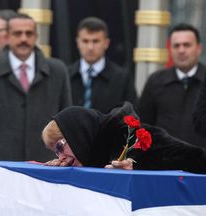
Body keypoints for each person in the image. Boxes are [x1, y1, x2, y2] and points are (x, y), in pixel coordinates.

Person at [0, 13, 72, 162]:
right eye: (17, 33)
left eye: (29, 33)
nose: (23, 39)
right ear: (7, 37)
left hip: (46, 166)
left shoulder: (57, 70)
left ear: (36, 36)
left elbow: (67, 124)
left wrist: (67, 159)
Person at [42, 102, 206, 174]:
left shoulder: (132, 136)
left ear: (78, 134)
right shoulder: (92, 150)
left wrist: (137, 168)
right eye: (56, 153)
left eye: (60, 146)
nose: (60, 156)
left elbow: (197, 159)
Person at [138, 23, 206, 147]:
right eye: (176, 46)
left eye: (187, 45)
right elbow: (143, 125)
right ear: (169, 49)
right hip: (164, 161)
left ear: (199, 48)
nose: (181, 50)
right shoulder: (155, 81)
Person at [68, 17, 137, 113]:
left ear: (106, 43)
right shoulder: (65, 75)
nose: (90, 47)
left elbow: (130, 116)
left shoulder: (122, 79)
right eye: (85, 41)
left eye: (95, 41)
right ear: (78, 42)